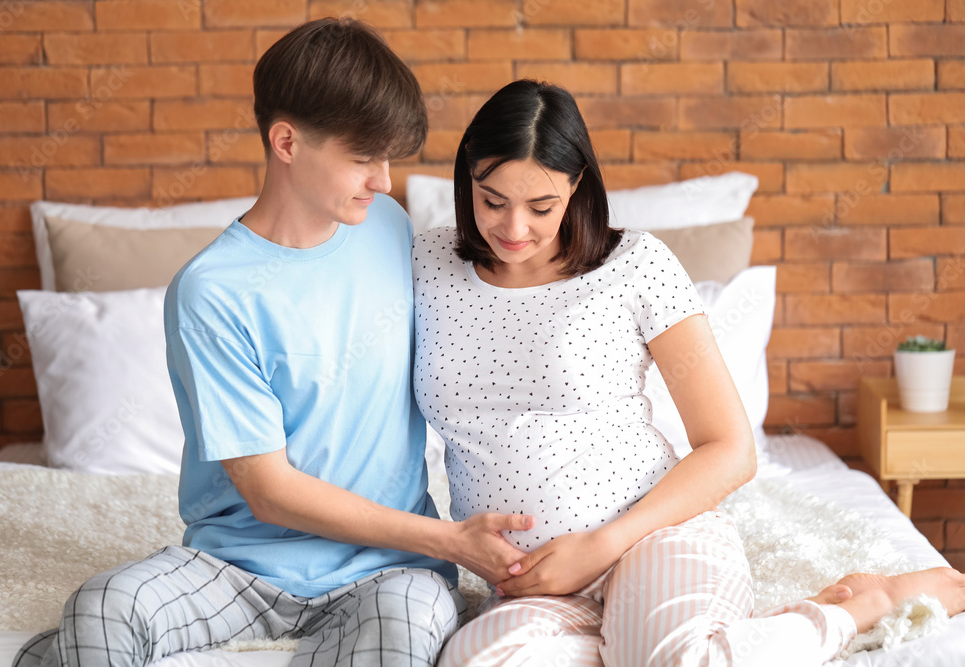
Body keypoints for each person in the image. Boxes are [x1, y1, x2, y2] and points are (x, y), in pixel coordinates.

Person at [13, 19, 533, 667]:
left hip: (389, 570)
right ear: (286, 141)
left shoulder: (392, 229)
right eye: (363, 157)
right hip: (239, 565)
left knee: (399, 638)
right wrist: (450, 539)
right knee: (102, 605)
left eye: (389, 158)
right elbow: (269, 491)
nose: (383, 179)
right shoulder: (212, 290)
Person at [411, 79, 965, 666]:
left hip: (650, 535)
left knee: (680, 663)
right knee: (474, 662)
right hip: (533, 582)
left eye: (541, 206)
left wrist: (603, 544)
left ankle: (855, 608)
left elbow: (730, 447)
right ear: (465, 176)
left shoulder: (637, 265)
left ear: (577, 187)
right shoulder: (425, 262)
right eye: (492, 199)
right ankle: (654, 641)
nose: (514, 227)